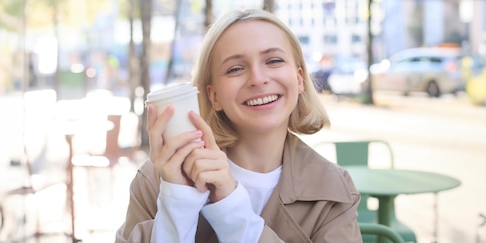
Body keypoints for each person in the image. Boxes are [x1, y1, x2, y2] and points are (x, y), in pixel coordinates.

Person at [115, 8, 361, 242]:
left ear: (298, 79)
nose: (258, 78)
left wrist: (230, 206)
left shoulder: (333, 189)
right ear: (214, 96)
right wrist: (178, 200)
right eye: (235, 69)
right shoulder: (159, 179)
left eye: (274, 60)